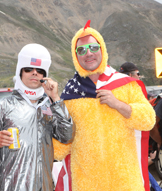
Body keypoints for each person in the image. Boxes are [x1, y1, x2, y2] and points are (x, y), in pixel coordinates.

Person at [53, 20, 155, 191]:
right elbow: (61, 147)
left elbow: (148, 120)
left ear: (102, 49)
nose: (88, 54)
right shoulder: (70, 95)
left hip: (125, 181)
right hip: (87, 183)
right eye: (81, 50)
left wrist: (119, 105)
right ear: (75, 56)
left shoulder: (125, 84)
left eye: (93, 47)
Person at [0, 43, 74, 191]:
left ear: (45, 76)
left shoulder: (49, 106)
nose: (34, 73)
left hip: (44, 186)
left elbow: (67, 137)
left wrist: (56, 98)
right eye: (28, 69)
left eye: (40, 70)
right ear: (20, 72)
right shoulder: (1, 106)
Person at [120, 61, 151, 191]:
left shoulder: (116, 91)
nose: (139, 77)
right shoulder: (135, 89)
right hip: (133, 142)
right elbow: (148, 120)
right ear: (130, 75)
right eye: (138, 74)